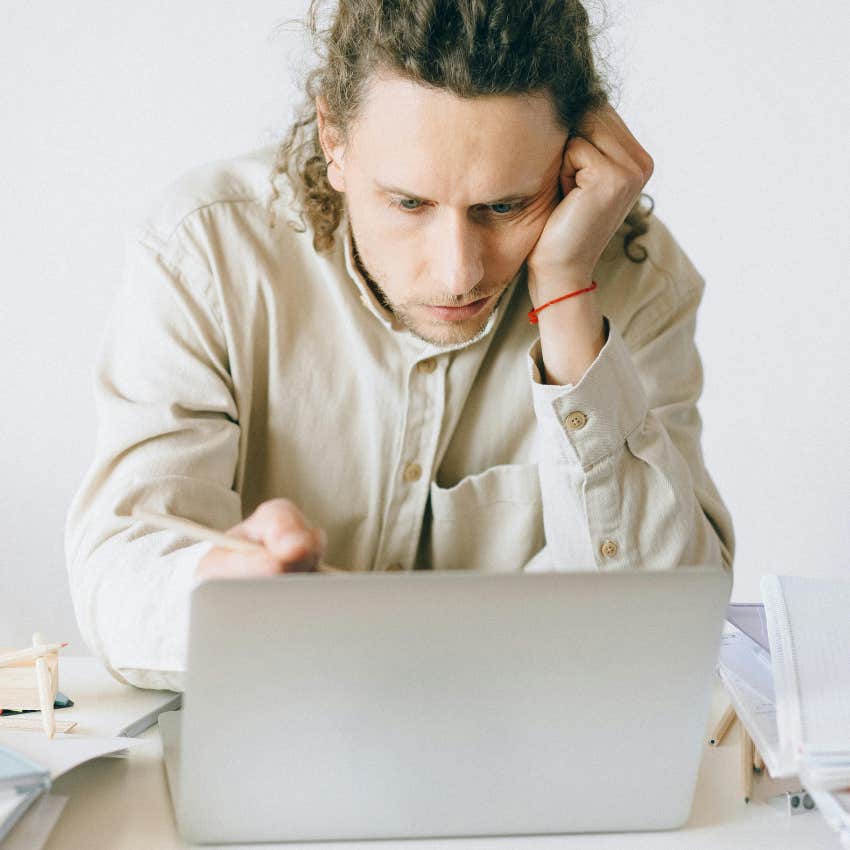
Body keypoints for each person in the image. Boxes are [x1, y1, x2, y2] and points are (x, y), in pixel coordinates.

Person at [65, 0, 734, 691]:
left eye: (504, 206)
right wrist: (218, 594)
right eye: (410, 204)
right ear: (334, 139)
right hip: (271, 731)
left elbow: (663, 623)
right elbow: (121, 575)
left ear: (571, 166)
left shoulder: (636, 281)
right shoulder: (205, 253)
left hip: (521, 758)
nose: (458, 273)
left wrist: (566, 294)